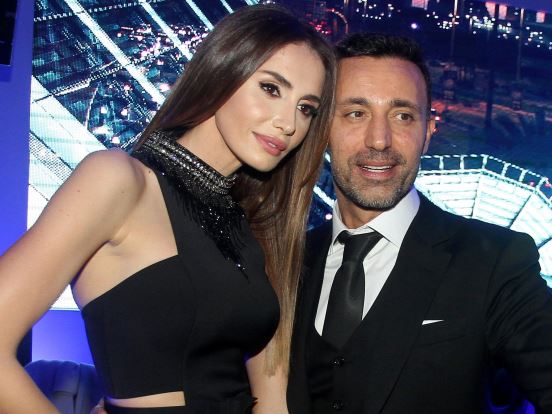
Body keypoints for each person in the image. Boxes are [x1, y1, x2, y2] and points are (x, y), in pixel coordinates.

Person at [0, 5, 335, 413]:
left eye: (306, 108)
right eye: (271, 88)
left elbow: (271, 387)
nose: (289, 123)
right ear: (222, 71)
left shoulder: (249, 221)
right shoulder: (119, 180)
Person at [287, 33, 552, 413]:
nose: (379, 140)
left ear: (428, 134)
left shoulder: (494, 262)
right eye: (355, 113)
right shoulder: (291, 260)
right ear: (321, 130)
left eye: (402, 116)